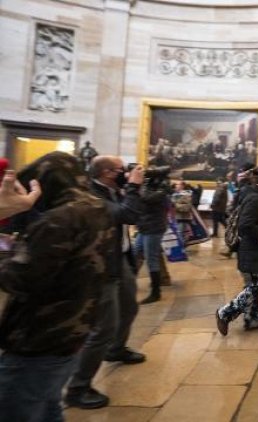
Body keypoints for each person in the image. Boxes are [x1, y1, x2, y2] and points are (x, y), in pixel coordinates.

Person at [0, 152, 113, 422]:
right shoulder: (95, 208)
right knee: (48, 406)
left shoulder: (58, 219)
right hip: (72, 330)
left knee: (17, 410)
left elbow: (20, 278)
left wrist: (6, 249)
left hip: (39, 335)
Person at [66, 156, 146, 410]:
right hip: (100, 265)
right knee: (104, 328)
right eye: (122, 170)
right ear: (107, 172)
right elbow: (128, 215)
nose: (126, 173)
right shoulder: (92, 194)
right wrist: (133, 187)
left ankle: (117, 349)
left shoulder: (112, 190)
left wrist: (132, 189)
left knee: (130, 308)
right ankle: (78, 387)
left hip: (118, 258)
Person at [216, 166, 258, 334]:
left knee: (257, 285)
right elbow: (245, 225)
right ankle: (225, 313)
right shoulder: (255, 198)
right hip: (253, 250)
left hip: (257, 251)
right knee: (255, 287)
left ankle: (253, 318)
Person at [135, 174, 170, 304]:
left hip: (153, 228)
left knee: (152, 260)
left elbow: (146, 198)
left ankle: (156, 293)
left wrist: (142, 184)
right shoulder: (152, 189)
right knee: (135, 253)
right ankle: (129, 283)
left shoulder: (160, 191)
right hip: (144, 227)